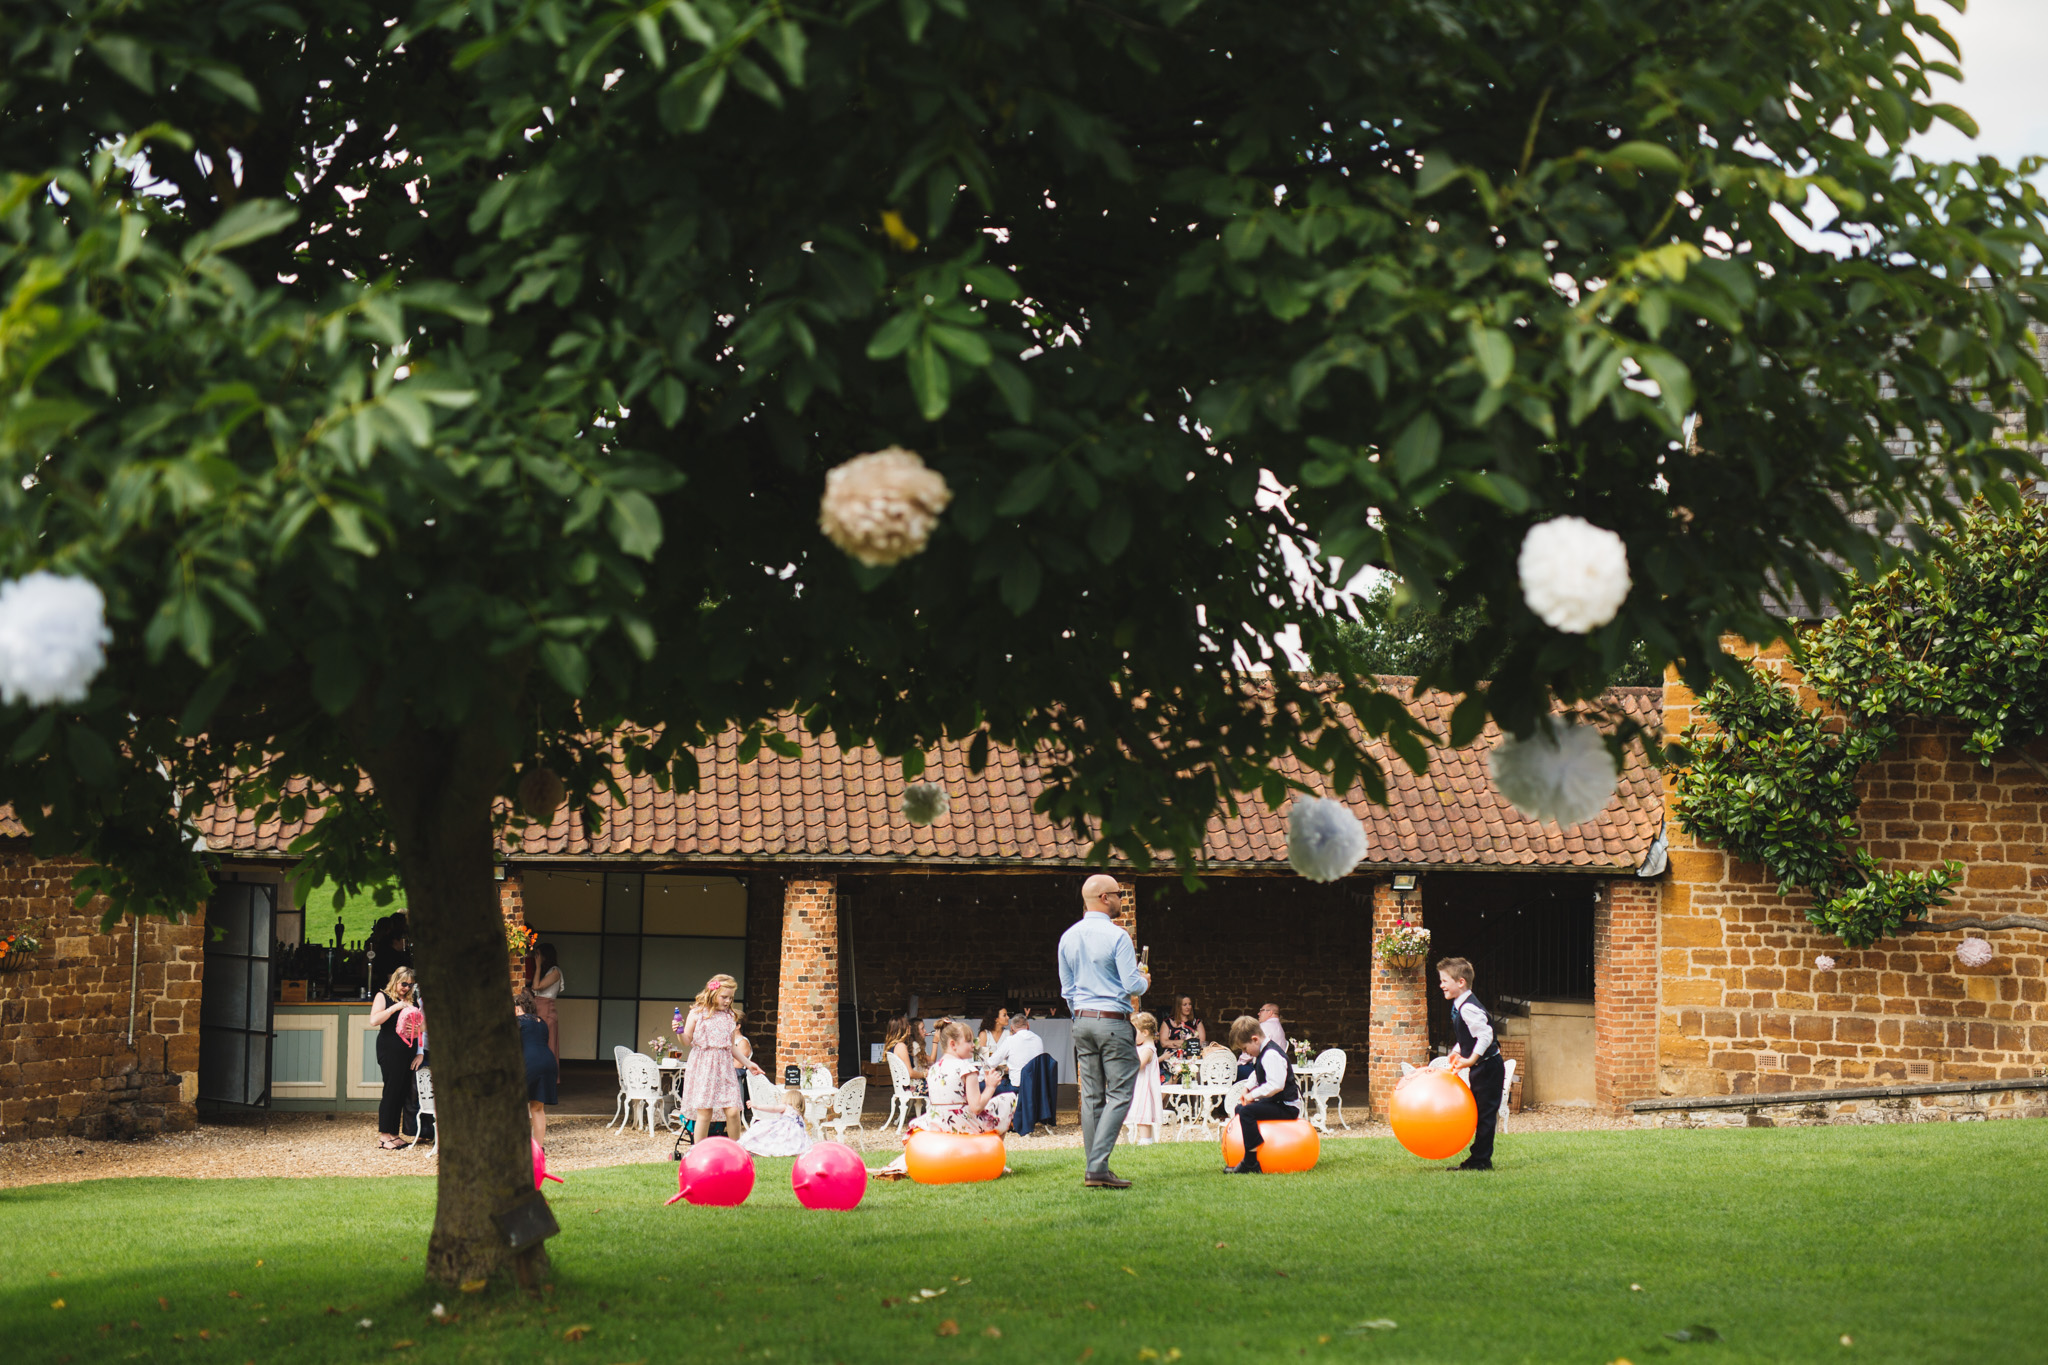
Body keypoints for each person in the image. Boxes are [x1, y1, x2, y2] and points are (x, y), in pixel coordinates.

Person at [1057, 873, 1149, 1189]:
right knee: (1121, 1091)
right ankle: (1097, 1168)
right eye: (1118, 894)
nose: (1121, 900)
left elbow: (1067, 990)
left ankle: (1096, 1168)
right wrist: (1145, 977)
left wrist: (1080, 1016)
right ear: (1104, 898)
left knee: (1093, 1095)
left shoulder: (1067, 937)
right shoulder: (1117, 936)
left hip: (1081, 1021)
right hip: (1112, 1021)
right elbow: (1132, 984)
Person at [873, 1020, 1016, 1178]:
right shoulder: (967, 1069)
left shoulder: (934, 1069)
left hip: (937, 1121)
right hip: (962, 1122)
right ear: (953, 1044)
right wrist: (990, 1087)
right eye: (968, 1041)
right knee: (1008, 1100)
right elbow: (976, 1107)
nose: (973, 1045)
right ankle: (996, 1160)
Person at [678, 973, 762, 1144]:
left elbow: (731, 1046)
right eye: (724, 997)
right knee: (705, 1111)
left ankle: (736, 1149)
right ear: (712, 993)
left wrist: (748, 1064)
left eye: (731, 998)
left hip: (724, 1067)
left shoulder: (729, 1017)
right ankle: (698, 1150)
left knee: (732, 1110)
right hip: (703, 1065)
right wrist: (679, 1031)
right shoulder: (697, 1014)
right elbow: (686, 1041)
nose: (727, 1001)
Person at [1438, 957, 1504, 1172]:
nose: (1441, 985)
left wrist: (1471, 1059)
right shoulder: (1461, 1005)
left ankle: (1481, 1161)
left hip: (1488, 1066)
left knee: (1485, 1114)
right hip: (1482, 1067)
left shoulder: (1468, 1008)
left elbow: (1485, 1035)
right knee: (1479, 1113)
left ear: (1461, 982)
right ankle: (1479, 1158)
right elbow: (1470, 1035)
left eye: (1444, 980)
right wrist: (1457, 1051)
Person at [1224, 1014, 1300, 1175]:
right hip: (1277, 1103)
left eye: (1245, 1049)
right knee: (1240, 1109)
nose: (1246, 1053)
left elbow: (1276, 1085)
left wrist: (1253, 1096)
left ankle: (1251, 1162)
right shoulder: (1262, 1053)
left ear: (1255, 1039)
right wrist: (1247, 1088)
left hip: (1288, 1106)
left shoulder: (1271, 1054)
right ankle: (1247, 1153)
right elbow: (1257, 1075)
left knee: (1246, 1111)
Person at [368, 968, 417, 1150]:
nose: (406, 988)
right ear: (395, 980)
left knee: (402, 1092)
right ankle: (384, 1136)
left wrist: (419, 1050)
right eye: (404, 984)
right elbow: (374, 1020)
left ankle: (394, 1134)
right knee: (391, 1090)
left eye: (410, 985)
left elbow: (420, 1027)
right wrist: (394, 1007)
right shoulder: (384, 996)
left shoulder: (412, 1000)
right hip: (390, 1049)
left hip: (408, 1051)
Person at [516, 990, 558, 1147]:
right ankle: (539, 1150)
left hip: (529, 1063)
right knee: (537, 1108)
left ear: (518, 1008)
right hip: (548, 1063)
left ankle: (519, 1149)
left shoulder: (517, 1022)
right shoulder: (542, 1022)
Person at [737, 1083, 815, 1158]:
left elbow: (773, 1108)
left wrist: (757, 1106)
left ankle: (754, 1146)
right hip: (794, 1133)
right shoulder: (798, 1113)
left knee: (762, 1129)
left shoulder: (786, 1106)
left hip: (784, 1128)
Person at [1127, 1011, 1163, 1145]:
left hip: (1145, 1087)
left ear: (1145, 1032)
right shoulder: (1142, 1047)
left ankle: (1145, 1139)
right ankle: (1139, 1139)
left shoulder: (1148, 1049)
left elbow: (1139, 1065)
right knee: (1139, 1110)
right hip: (1138, 1085)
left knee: (1144, 1111)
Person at [531, 943, 564, 1059]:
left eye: (538, 955)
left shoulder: (555, 971)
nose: (536, 957)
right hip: (540, 1008)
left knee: (547, 1044)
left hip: (546, 1010)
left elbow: (536, 986)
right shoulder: (547, 971)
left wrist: (538, 966)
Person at [883, 1015, 928, 1096]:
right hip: (910, 1087)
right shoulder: (901, 1046)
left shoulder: (894, 1046)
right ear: (902, 1028)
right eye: (907, 1025)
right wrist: (925, 1074)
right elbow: (910, 1073)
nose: (910, 1026)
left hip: (905, 1085)